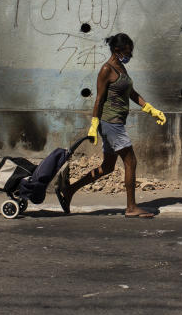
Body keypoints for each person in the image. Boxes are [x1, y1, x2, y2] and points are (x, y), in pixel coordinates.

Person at [55, 33, 166, 217]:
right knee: (131, 161)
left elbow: (131, 92)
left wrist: (151, 109)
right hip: (110, 123)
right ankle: (131, 208)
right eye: (128, 52)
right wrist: (94, 125)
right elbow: (98, 99)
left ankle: (69, 190)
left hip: (116, 123)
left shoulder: (120, 67)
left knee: (107, 167)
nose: (130, 55)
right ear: (117, 50)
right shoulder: (106, 70)